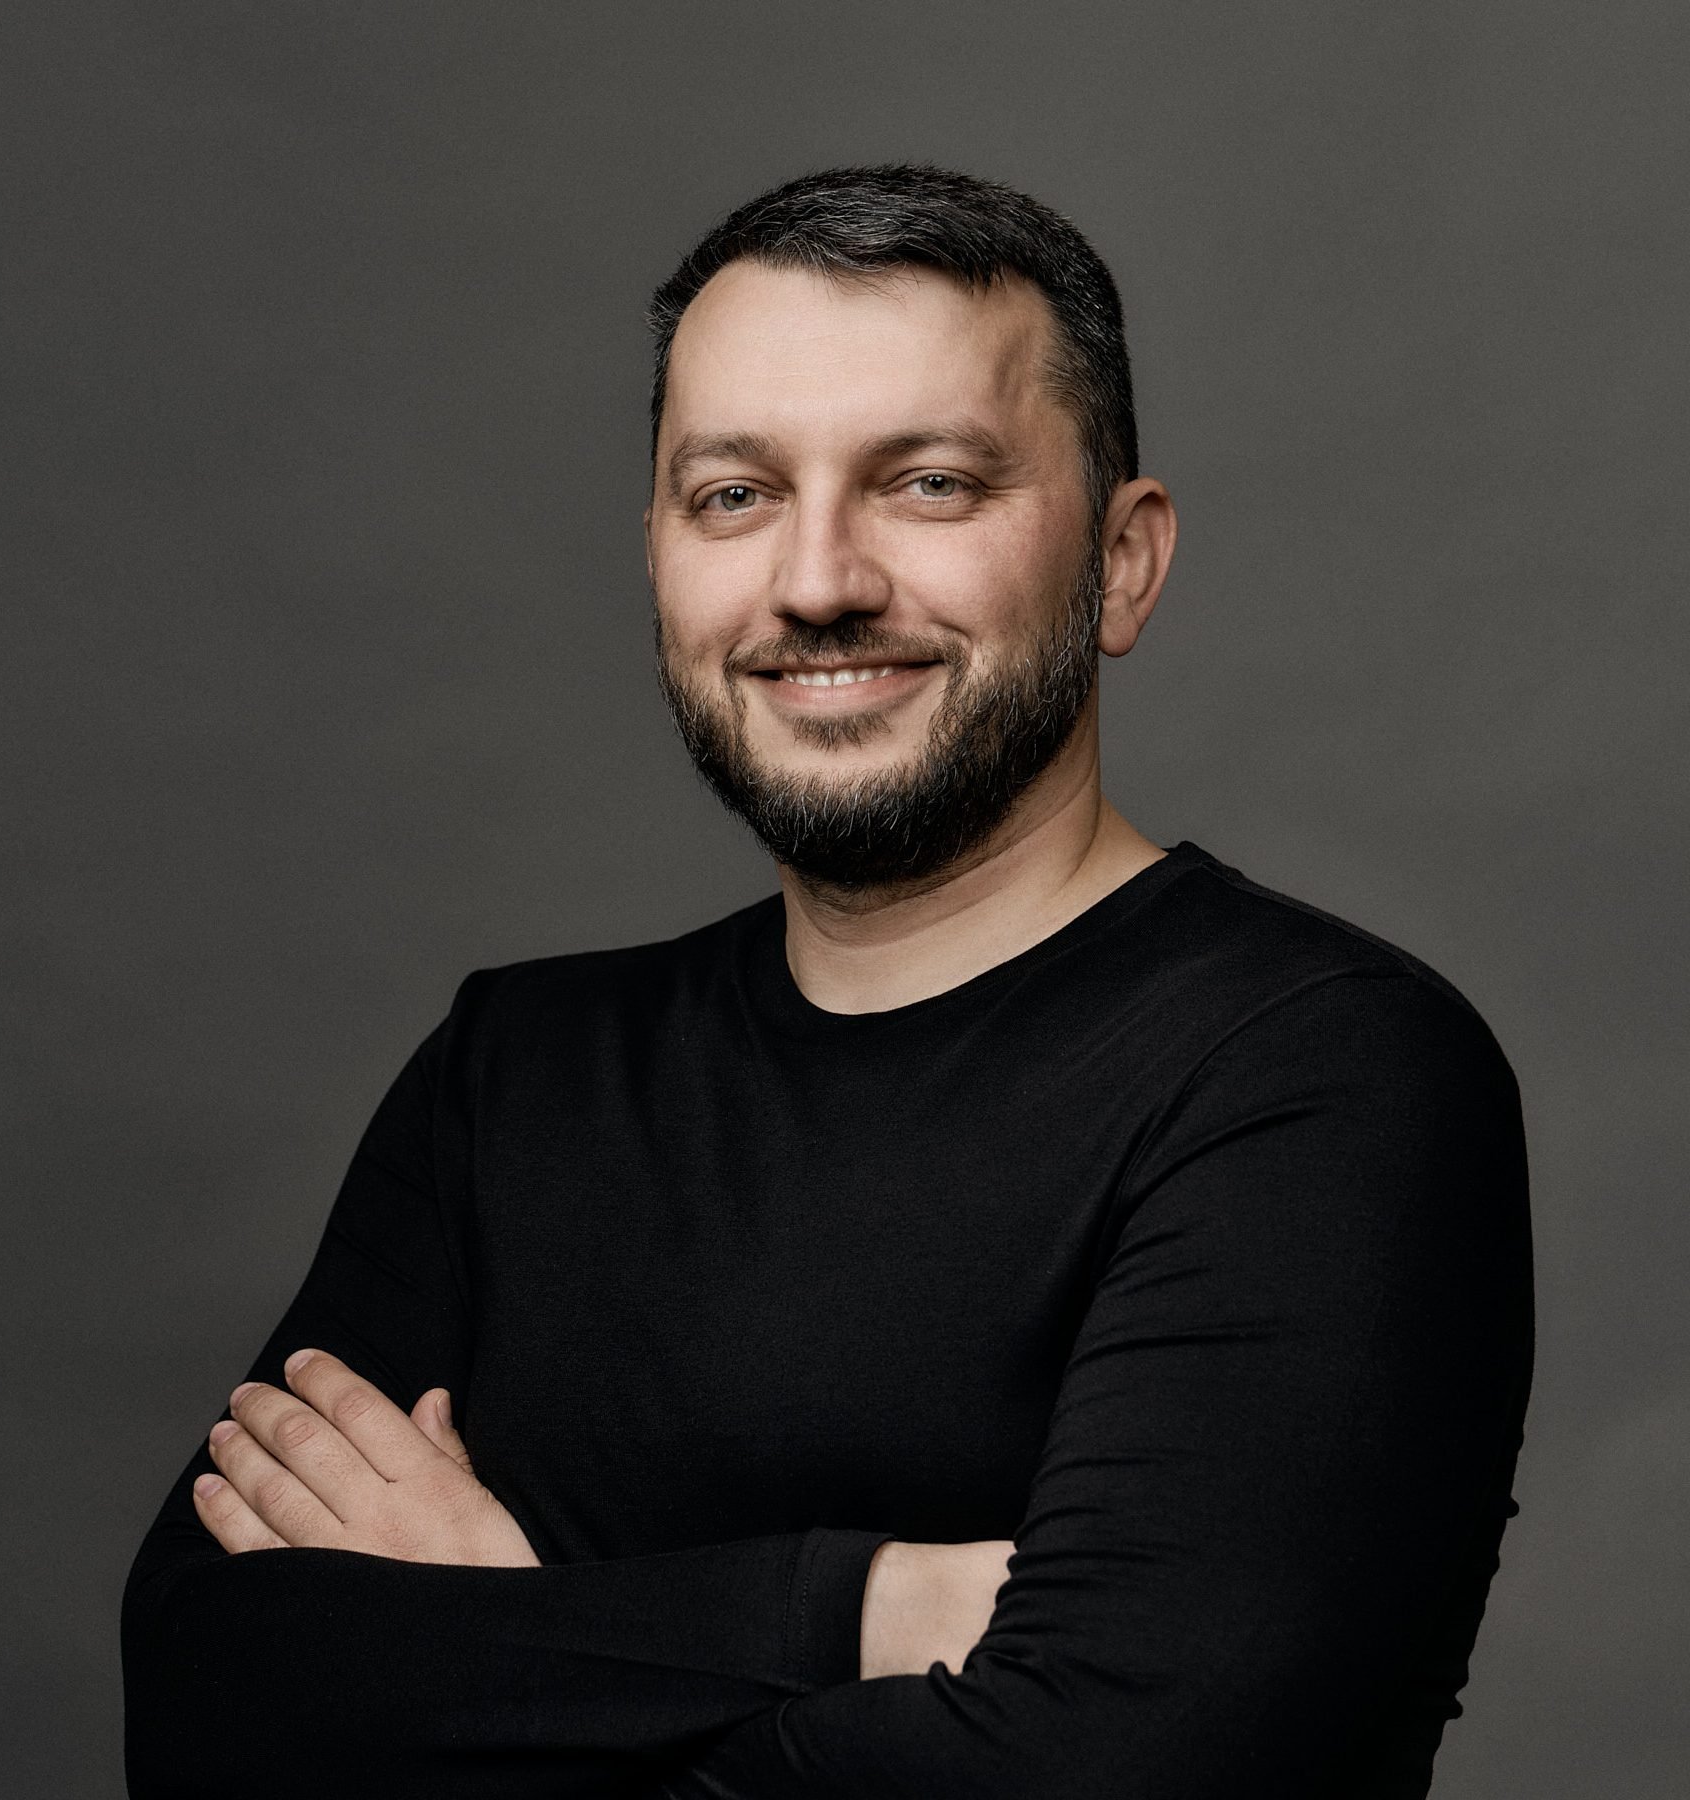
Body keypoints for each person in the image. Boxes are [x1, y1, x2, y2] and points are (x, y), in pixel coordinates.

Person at [121, 164, 1533, 1799]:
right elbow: (210, 1705)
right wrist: (870, 1608)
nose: (815, 581)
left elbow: (1111, 1776)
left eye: (927, 484)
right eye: (734, 494)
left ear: (1125, 562)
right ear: (655, 552)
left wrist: (505, 1648)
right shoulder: (516, 1075)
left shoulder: (1327, 1078)